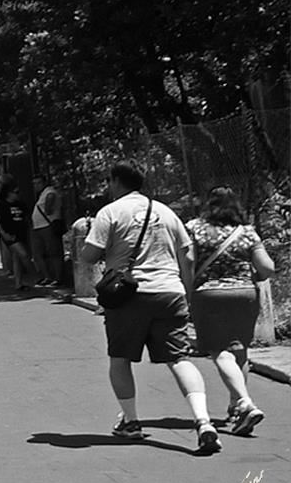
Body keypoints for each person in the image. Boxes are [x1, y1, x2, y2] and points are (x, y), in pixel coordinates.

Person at [80, 159, 221, 454]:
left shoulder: (110, 212)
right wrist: (185, 290)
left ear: (116, 181)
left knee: (120, 358)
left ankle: (131, 421)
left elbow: (89, 256)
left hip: (128, 296)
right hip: (170, 291)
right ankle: (203, 421)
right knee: (179, 359)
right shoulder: (166, 211)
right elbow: (188, 255)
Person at [186, 186, 275, 436]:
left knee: (220, 352)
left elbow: (189, 262)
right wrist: (251, 276)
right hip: (245, 295)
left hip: (209, 295)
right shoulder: (247, 232)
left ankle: (246, 403)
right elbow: (267, 268)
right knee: (240, 350)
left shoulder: (194, 228)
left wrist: (187, 291)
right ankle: (235, 407)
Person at [0, 175, 33, 291]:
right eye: (15, 192)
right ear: (9, 193)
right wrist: (3, 233)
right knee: (23, 255)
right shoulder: (1, 205)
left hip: (21, 233)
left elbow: (27, 219)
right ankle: (35, 276)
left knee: (17, 258)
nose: (18, 195)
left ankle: (18, 283)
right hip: (10, 235)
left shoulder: (21, 204)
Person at [31, 173, 64, 286]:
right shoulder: (41, 195)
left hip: (48, 226)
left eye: (39, 183)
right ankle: (47, 276)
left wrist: (48, 207)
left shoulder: (49, 192)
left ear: (44, 183)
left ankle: (58, 278)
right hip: (39, 227)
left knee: (54, 252)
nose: (36, 186)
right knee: (39, 254)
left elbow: (49, 208)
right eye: (34, 184)